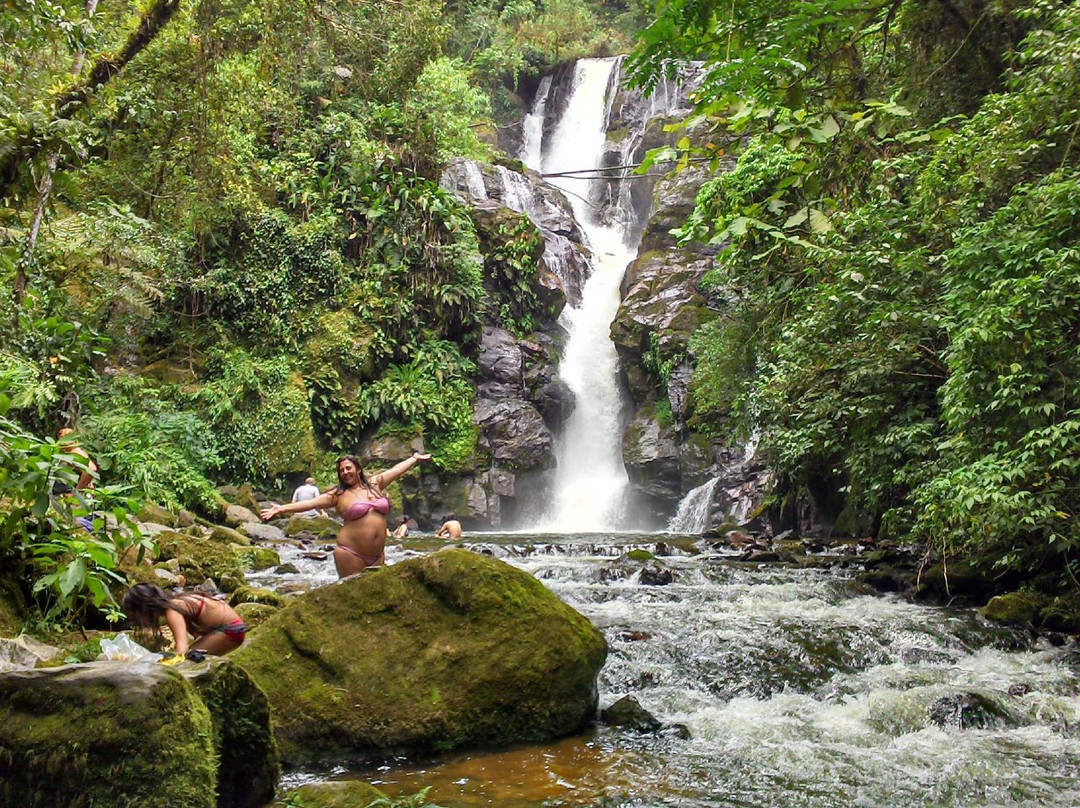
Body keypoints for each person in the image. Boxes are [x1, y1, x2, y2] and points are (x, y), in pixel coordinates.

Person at [261, 452, 431, 578]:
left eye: (348, 468)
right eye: (341, 470)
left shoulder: (375, 484)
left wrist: (414, 458)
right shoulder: (338, 494)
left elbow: (396, 470)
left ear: (358, 469)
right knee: (352, 598)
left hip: (378, 554)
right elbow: (310, 503)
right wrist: (281, 509)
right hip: (350, 553)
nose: (345, 472)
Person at [122, 583, 247, 656]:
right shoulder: (176, 604)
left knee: (189, 659)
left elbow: (182, 646)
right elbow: (197, 635)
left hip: (230, 630)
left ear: (144, 607)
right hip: (225, 629)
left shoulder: (172, 611)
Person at [55, 427, 98, 531]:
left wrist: (76, 492)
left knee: (78, 525)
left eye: (66, 437)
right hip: (66, 495)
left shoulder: (75, 452)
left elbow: (91, 469)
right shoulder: (66, 453)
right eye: (61, 437)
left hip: (75, 497)